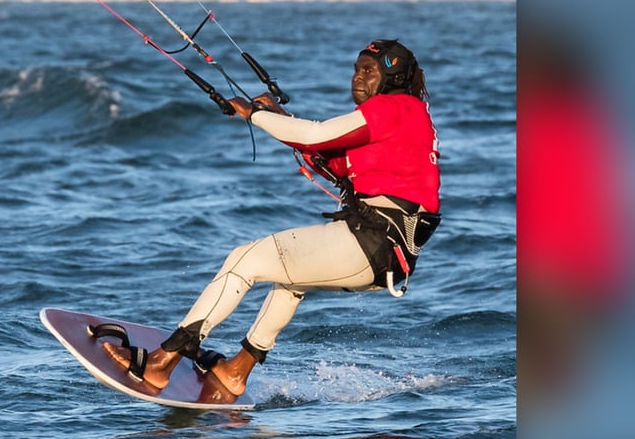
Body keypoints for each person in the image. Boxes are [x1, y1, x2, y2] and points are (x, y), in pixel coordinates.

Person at [103, 39, 442, 401]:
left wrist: (255, 114)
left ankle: (161, 361)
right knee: (289, 280)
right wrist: (285, 125)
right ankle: (236, 372)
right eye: (356, 69)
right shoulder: (408, 117)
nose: (357, 78)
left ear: (393, 78)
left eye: (369, 72)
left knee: (244, 259)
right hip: (387, 259)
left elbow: (315, 134)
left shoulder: (393, 107)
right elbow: (328, 154)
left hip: (370, 244)